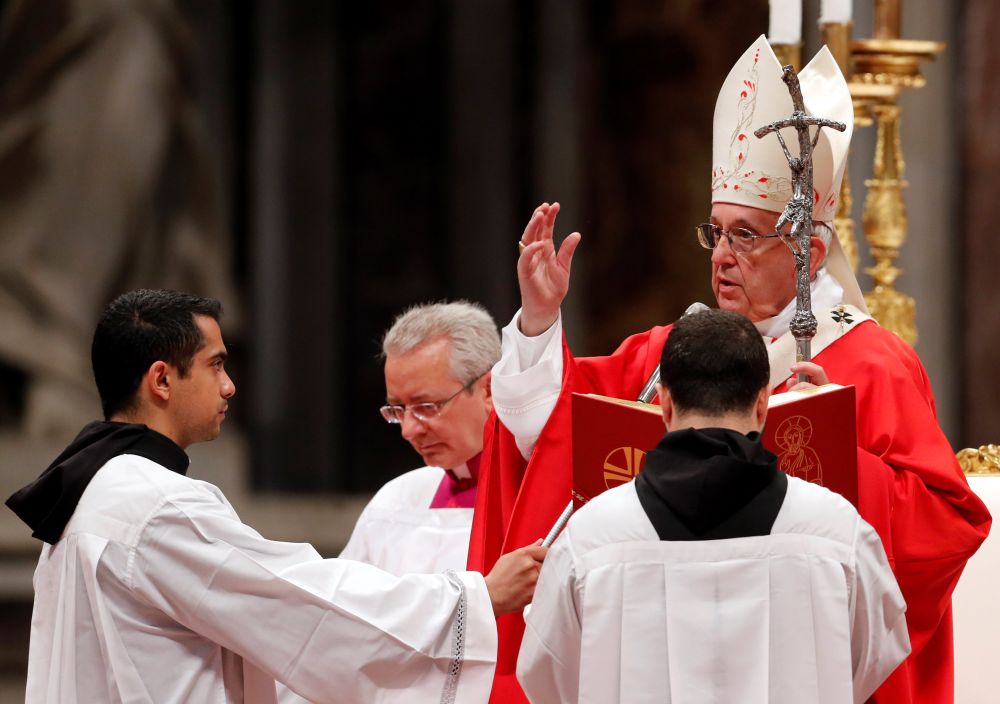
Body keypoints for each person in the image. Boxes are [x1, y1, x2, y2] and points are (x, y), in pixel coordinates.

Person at [468, 35, 991, 704]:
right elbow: (550, 430)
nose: (721, 256)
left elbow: (949, 530)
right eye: (714, 232)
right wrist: (539, 321)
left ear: (812, 245)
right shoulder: (673, 350)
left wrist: (844, 452)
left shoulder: (870, 363)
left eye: (745, 235)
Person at [6, 289, 547, 704]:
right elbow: (305, 604)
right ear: (162, 381)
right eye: (216, 365)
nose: (230, 386)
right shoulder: (157, 506)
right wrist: (471, 600)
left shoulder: (98, 490)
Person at [516, 308, 911, 703]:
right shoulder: (836, 531)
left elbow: (549, 677)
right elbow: (866, 661)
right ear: (763, 404)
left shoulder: (591, 539)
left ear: (665, 404)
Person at [341, 301, 500, 575]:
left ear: (488, 390)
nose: (408, 431)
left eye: (427, 407)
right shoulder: (394, 502)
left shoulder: (542, 499)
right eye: (398, 410)